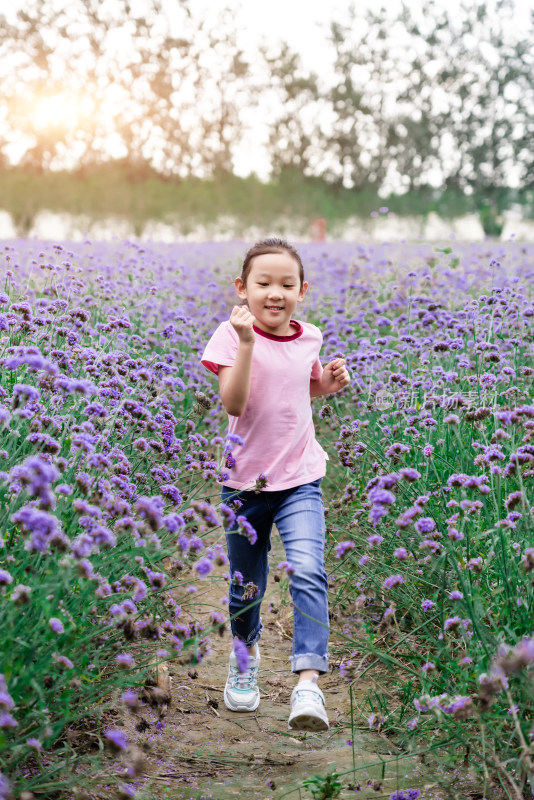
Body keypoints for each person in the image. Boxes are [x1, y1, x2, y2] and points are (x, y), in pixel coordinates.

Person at [201, 237, 350, 731]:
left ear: (302, 291)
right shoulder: (230, 335)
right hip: (243, 484)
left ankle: (308, 686)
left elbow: (296, 385)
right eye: (263, 283)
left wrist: (324, 385)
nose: (275, 293)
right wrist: (246, 344)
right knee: (247, 588)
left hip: (300, 479)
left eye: (287, 284)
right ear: (242, 289)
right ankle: (245, 659)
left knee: (308, 570)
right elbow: (236, 403)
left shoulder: (310, 336)